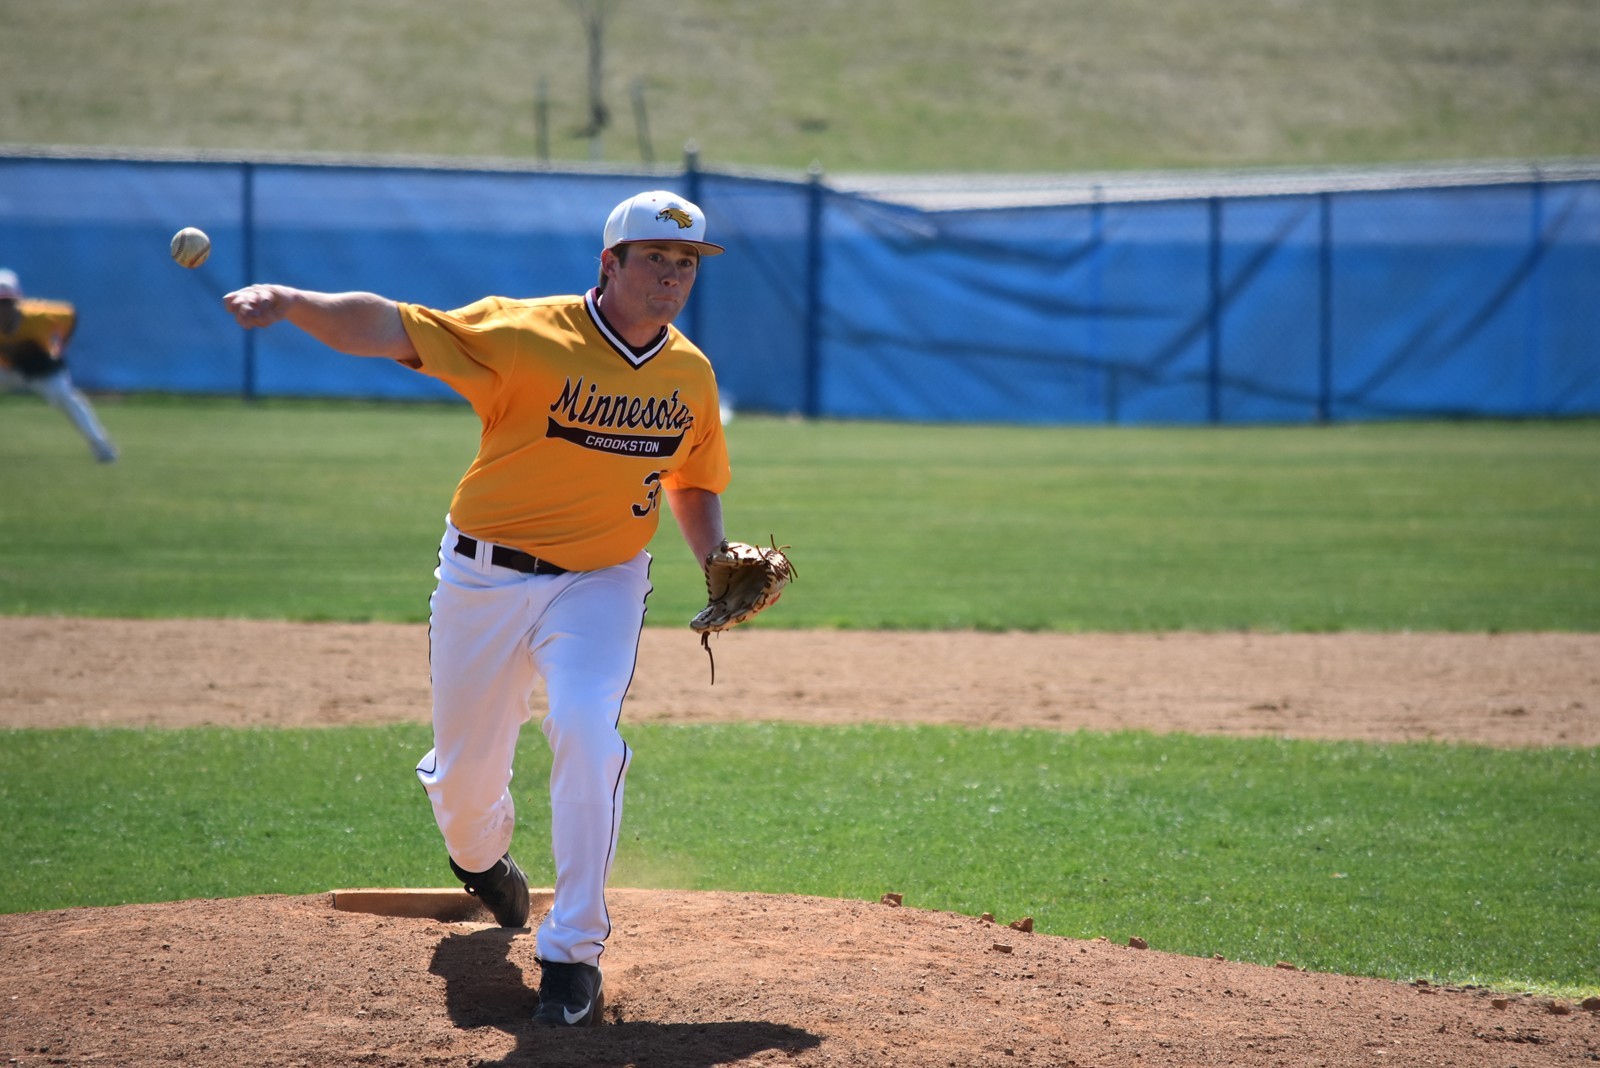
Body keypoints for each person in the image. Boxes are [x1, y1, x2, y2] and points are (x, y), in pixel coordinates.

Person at [221, 191, 734, 1029]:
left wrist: (715, 559)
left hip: (601, 581)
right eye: (654, 259)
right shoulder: (524, 333)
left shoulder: (690, 373)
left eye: (686, 264)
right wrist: (291, 302)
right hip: (483, 579)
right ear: (609, 263)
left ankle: (573, 952)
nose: (672, 277)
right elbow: (392, 326)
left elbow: (694, 480)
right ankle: (484, 863)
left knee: (587, 729)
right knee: (465, 786)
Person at [0, 269, 119, 463]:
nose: (3, 308)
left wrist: (59, 348)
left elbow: (70, 315)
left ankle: (101, 447)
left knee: (66, 396)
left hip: (40, 371)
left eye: (8, 302)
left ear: (18, 301)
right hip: (4, 370)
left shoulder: (39, 315)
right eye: (0, 303)